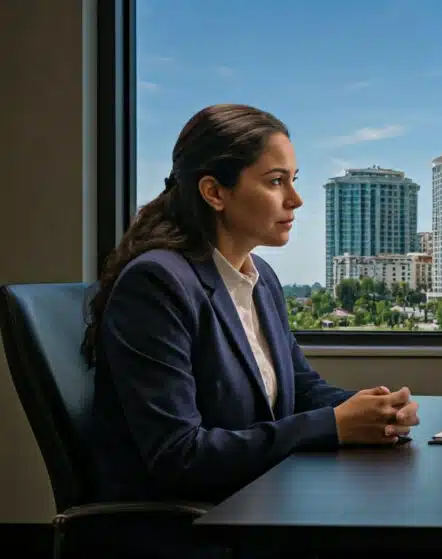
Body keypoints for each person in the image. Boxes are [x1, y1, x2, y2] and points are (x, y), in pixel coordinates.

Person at [82, 104, 419, 555]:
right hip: (190, 531)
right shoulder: (157, 283)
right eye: (276, 181)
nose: (295, 199)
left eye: (293, 180)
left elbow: (301, 387)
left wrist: (373, 410)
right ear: (214, 192)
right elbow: (179, 457)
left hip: (255, 507)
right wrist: (334, 425)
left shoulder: (259, 277)